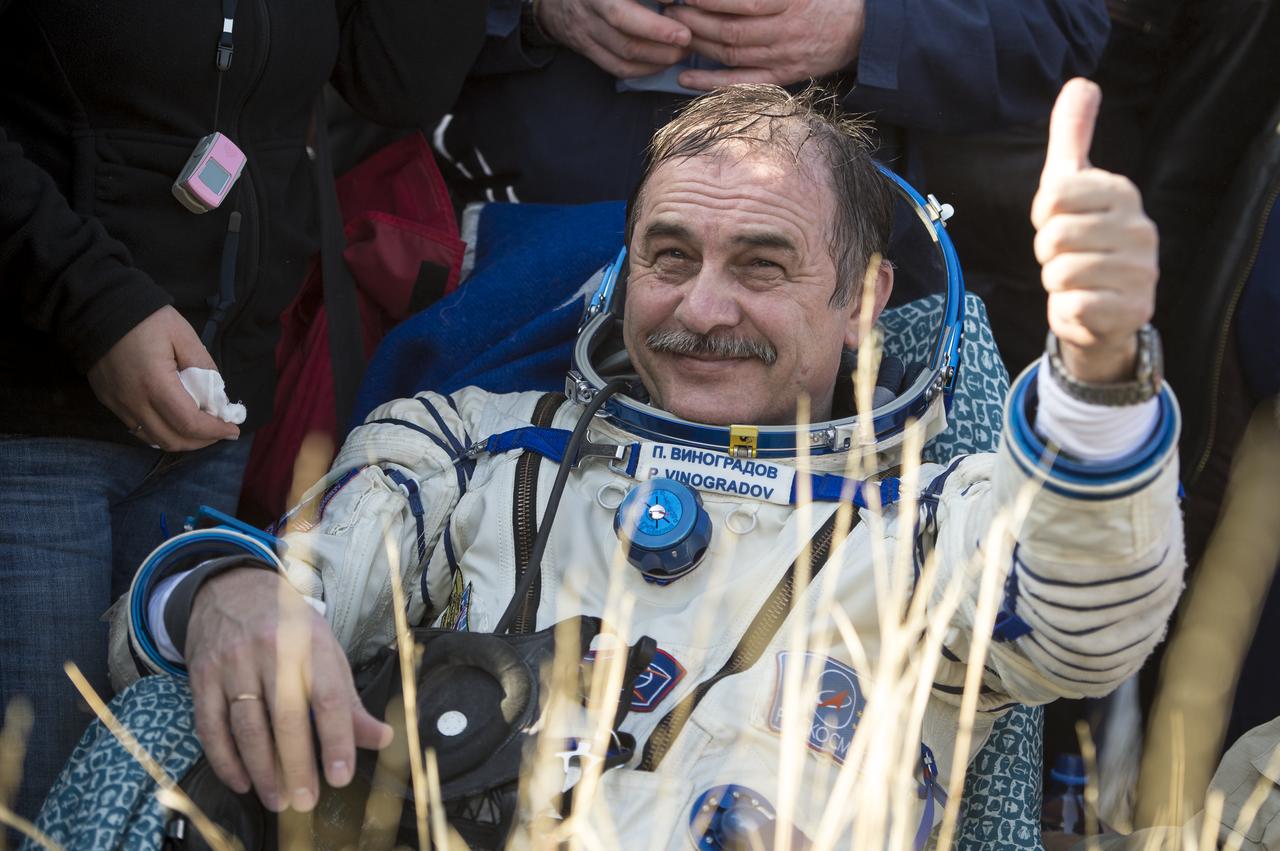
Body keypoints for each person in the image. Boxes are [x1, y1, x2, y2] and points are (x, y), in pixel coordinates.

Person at [109, 81, 1182, 844]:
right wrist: (226, 589)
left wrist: (1097, 375)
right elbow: (298, 588)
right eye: (670, 257)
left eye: (760, 266)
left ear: (860, 302)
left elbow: (1081, 610)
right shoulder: (469, 446)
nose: (700, 307)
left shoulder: (926, 517)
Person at [0, 0, 485, 824]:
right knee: (38, 804)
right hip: (34, 415)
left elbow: (402, 81)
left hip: (211, 417)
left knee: (156, 806)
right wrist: (97, 310)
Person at [435, 0, 1109, 204]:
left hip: (824, 295)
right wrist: (534, 11)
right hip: (510, 248)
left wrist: (867, 29)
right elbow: (349, 38)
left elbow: (1062, 29)